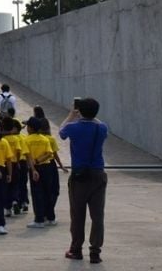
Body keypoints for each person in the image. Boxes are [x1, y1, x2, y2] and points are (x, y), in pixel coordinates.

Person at [59, 97, 108, 264]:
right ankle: (95, 252)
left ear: (79, 110)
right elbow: (98, 123)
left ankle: (76, 249)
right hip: (98, 174)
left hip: (79, 176)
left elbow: (61, 131)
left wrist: (72, 114)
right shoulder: (101, 127)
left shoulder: (73, 127)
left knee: (78, 215)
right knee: (98, 215)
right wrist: (90, 114)